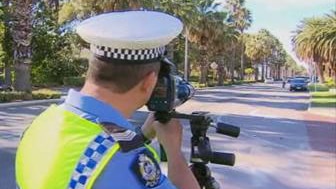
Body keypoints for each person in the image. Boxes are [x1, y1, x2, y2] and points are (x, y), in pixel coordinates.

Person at [15, 11, 200, 189]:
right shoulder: (123, 160)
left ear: (93, 69)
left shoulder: (40, 124)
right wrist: (174, 151)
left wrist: (141, 135)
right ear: (149, 81)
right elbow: (113, 162)